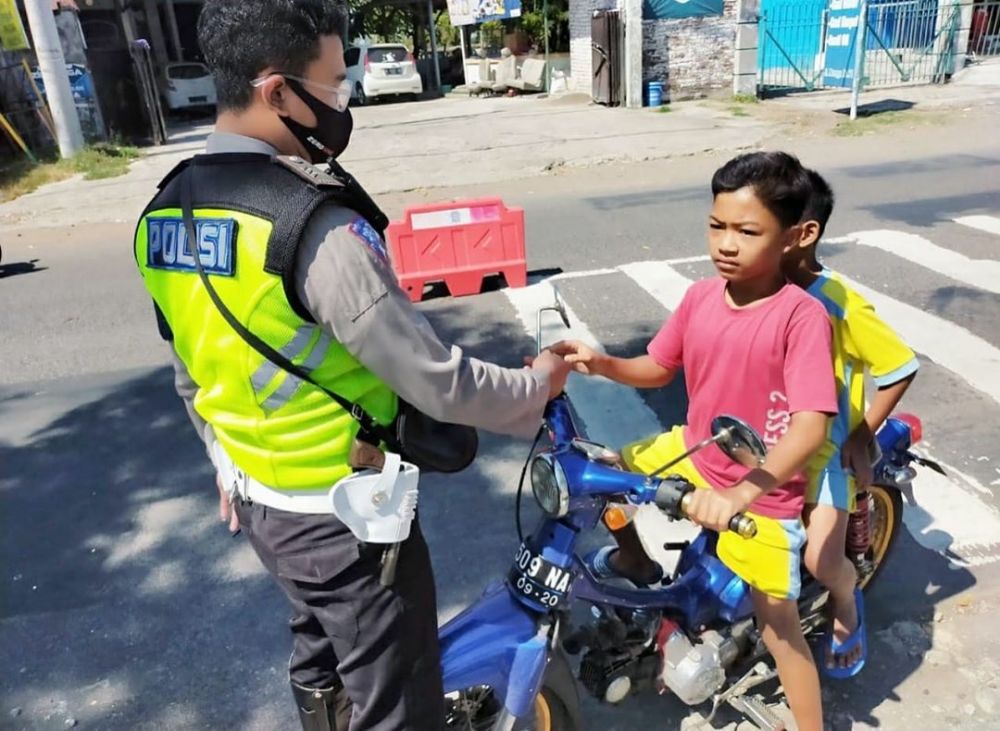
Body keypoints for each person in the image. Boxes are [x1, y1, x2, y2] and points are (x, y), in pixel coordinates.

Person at [132, 2, 571, 730]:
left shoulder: (164, 215)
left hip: (261, 502)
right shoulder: (314, 228)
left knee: (320, 659)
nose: (345, 101)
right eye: (333, 85)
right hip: (347, 523)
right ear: (276, 92)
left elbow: (192, 367)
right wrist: (538, 385)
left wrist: (223, 456)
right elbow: (438, 378)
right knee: (396, 698)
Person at [552, 151, 837, 731]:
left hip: (762, 491)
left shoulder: (800, 317)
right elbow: (658, 367)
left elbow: (810, 424)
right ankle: (636, 561)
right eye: (717, 226)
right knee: (601, 470)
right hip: (698, 449)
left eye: (747, 231)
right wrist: (601, 362)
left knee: (779, 629)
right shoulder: (701, 298)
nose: (725, 243)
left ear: (795, 236)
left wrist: (740, 496)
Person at [783, 168, 918, 678]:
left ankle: (845, 606)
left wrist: (861, 435)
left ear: (803, 234)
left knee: (821, 557)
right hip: (770, 437)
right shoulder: (760, 289)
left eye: (756, 229)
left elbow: (901, 366)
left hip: (827, 448)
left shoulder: (836, 300)